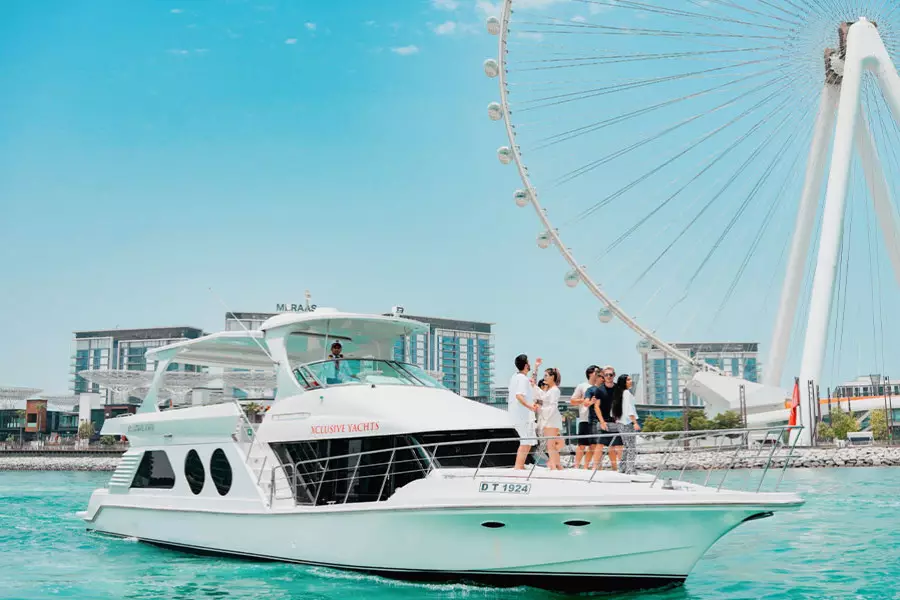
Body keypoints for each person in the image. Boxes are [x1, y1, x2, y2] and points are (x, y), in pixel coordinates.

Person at [508, 354, 539, 469]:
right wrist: (530, 406)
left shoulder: (515, 377)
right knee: (526, 441)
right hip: (522, 415)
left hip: (517, 414)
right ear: (526, 365)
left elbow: (530, 382)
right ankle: (518, 467)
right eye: (529, 362)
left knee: (527, 441)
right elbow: (519, 396)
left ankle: (520, 466)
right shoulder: (522, 379)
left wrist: (536, 367)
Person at [587, 365, 620, 470]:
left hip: (616, 421)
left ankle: (617, 468)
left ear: (614, 375)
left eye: (611, 374)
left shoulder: (619, 389)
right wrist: (601, 422)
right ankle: (595, 468)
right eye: (606, 375)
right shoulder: (599, 390)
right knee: (600, 445)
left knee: (617, 446)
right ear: (603, 376)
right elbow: (596, 407)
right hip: (603, 421)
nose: (609, 376)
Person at [533, 368, 563, 470]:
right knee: (551, 445)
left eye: (546, 375)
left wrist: (541, 409)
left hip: (551, 419)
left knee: (550, 445)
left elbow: (552, 406)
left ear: (552, 377)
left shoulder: (554, 390)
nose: (544, 377)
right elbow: (542, 395)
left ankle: (554, 467)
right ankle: (557, 466)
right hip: (551, 418)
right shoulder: (552, 390)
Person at [570, 365, 600, 468]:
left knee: (594, 445)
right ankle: (576, 466)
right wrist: (585, 400)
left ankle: (586, 466)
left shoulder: (601, 386)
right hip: (584, 418)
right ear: (590, 373)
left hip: (597, 420)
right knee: (581, 445)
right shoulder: (582, 386)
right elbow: (572, 401)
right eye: (597, 372)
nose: (599, 374)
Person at [612, 374, 641, 474]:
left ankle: (622, 467)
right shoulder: (627, 393)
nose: (631, 381)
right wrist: (635, 423)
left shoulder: (619, 393)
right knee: (632, 447)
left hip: (620, 423)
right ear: (623, 382)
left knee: (627, 446)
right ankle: (630, 469)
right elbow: (630, 410)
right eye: (628, 380)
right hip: (627, 423)